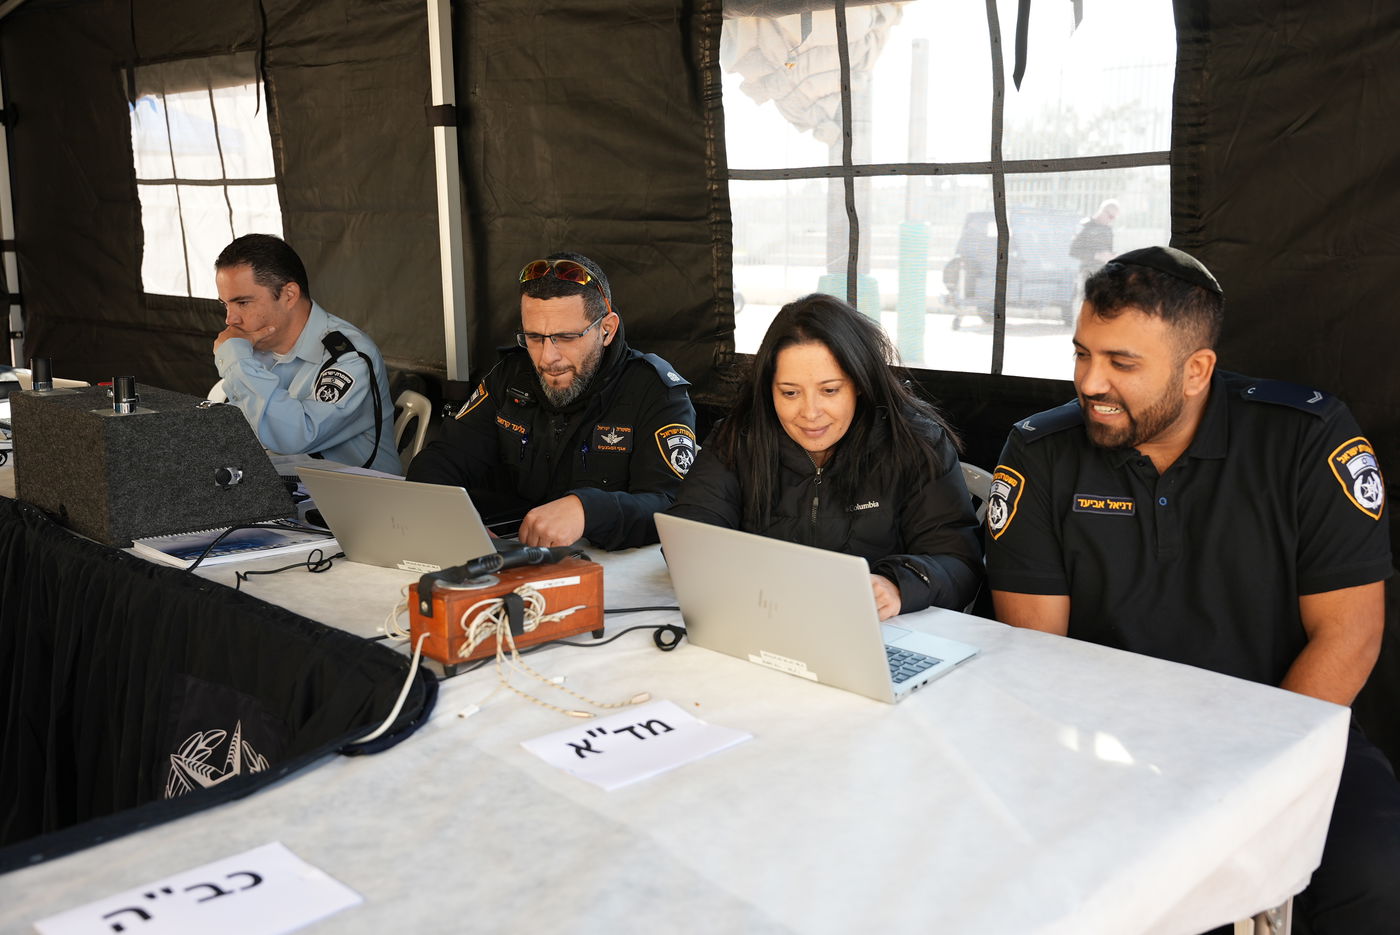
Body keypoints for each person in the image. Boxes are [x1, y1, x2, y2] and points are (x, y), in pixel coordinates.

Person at [984, 246, 1400, 934]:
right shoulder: (1039, 452)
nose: (1090, 381)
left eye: (1122, 363)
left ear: (1197, 369)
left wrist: (1247, 782)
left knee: (1378, 879)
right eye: (1082, 353)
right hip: (1100, 741)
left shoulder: (1306, 439)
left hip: (1283, 732)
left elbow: (1350, 631)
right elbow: (1036, 656)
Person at [668, 293, 982, 619]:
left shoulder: (916, 444)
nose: (810, 413)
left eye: (830, 390)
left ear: (860, 382)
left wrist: (897, 585)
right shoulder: (737, 438)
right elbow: (688, 537)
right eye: (790, 392)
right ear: (768, 388)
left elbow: (959, 563)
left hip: (882, 634)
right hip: (764, 622)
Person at [406, 252, 696, 551]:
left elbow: (674, 506)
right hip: (510, 561)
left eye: (567, 337)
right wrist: (457, 520)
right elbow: (441, 459)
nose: (548, 358)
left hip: (616, 577)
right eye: (534, 337)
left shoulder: (655, 391)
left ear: (606, 330)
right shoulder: (511, 375)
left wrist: (587, 510)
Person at [213, 234, 398, 474]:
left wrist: (236, 361)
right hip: (287, 492)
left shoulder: (350, 357)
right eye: (225, 305)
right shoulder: (255, 348)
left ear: (289, 295)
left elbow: (294, 438)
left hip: (359, 501)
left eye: (243, 303)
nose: (230, 319)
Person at [1069, 198, 1119, 278]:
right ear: (1102, 211)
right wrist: (1096, 256)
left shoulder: (1108, 230)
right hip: (1087, 274)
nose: (1111, 220)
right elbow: (1073, 251)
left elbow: (1108, 251)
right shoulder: (1086, 226)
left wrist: (1112, 257)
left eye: (1113, 218)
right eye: (1110, 216)